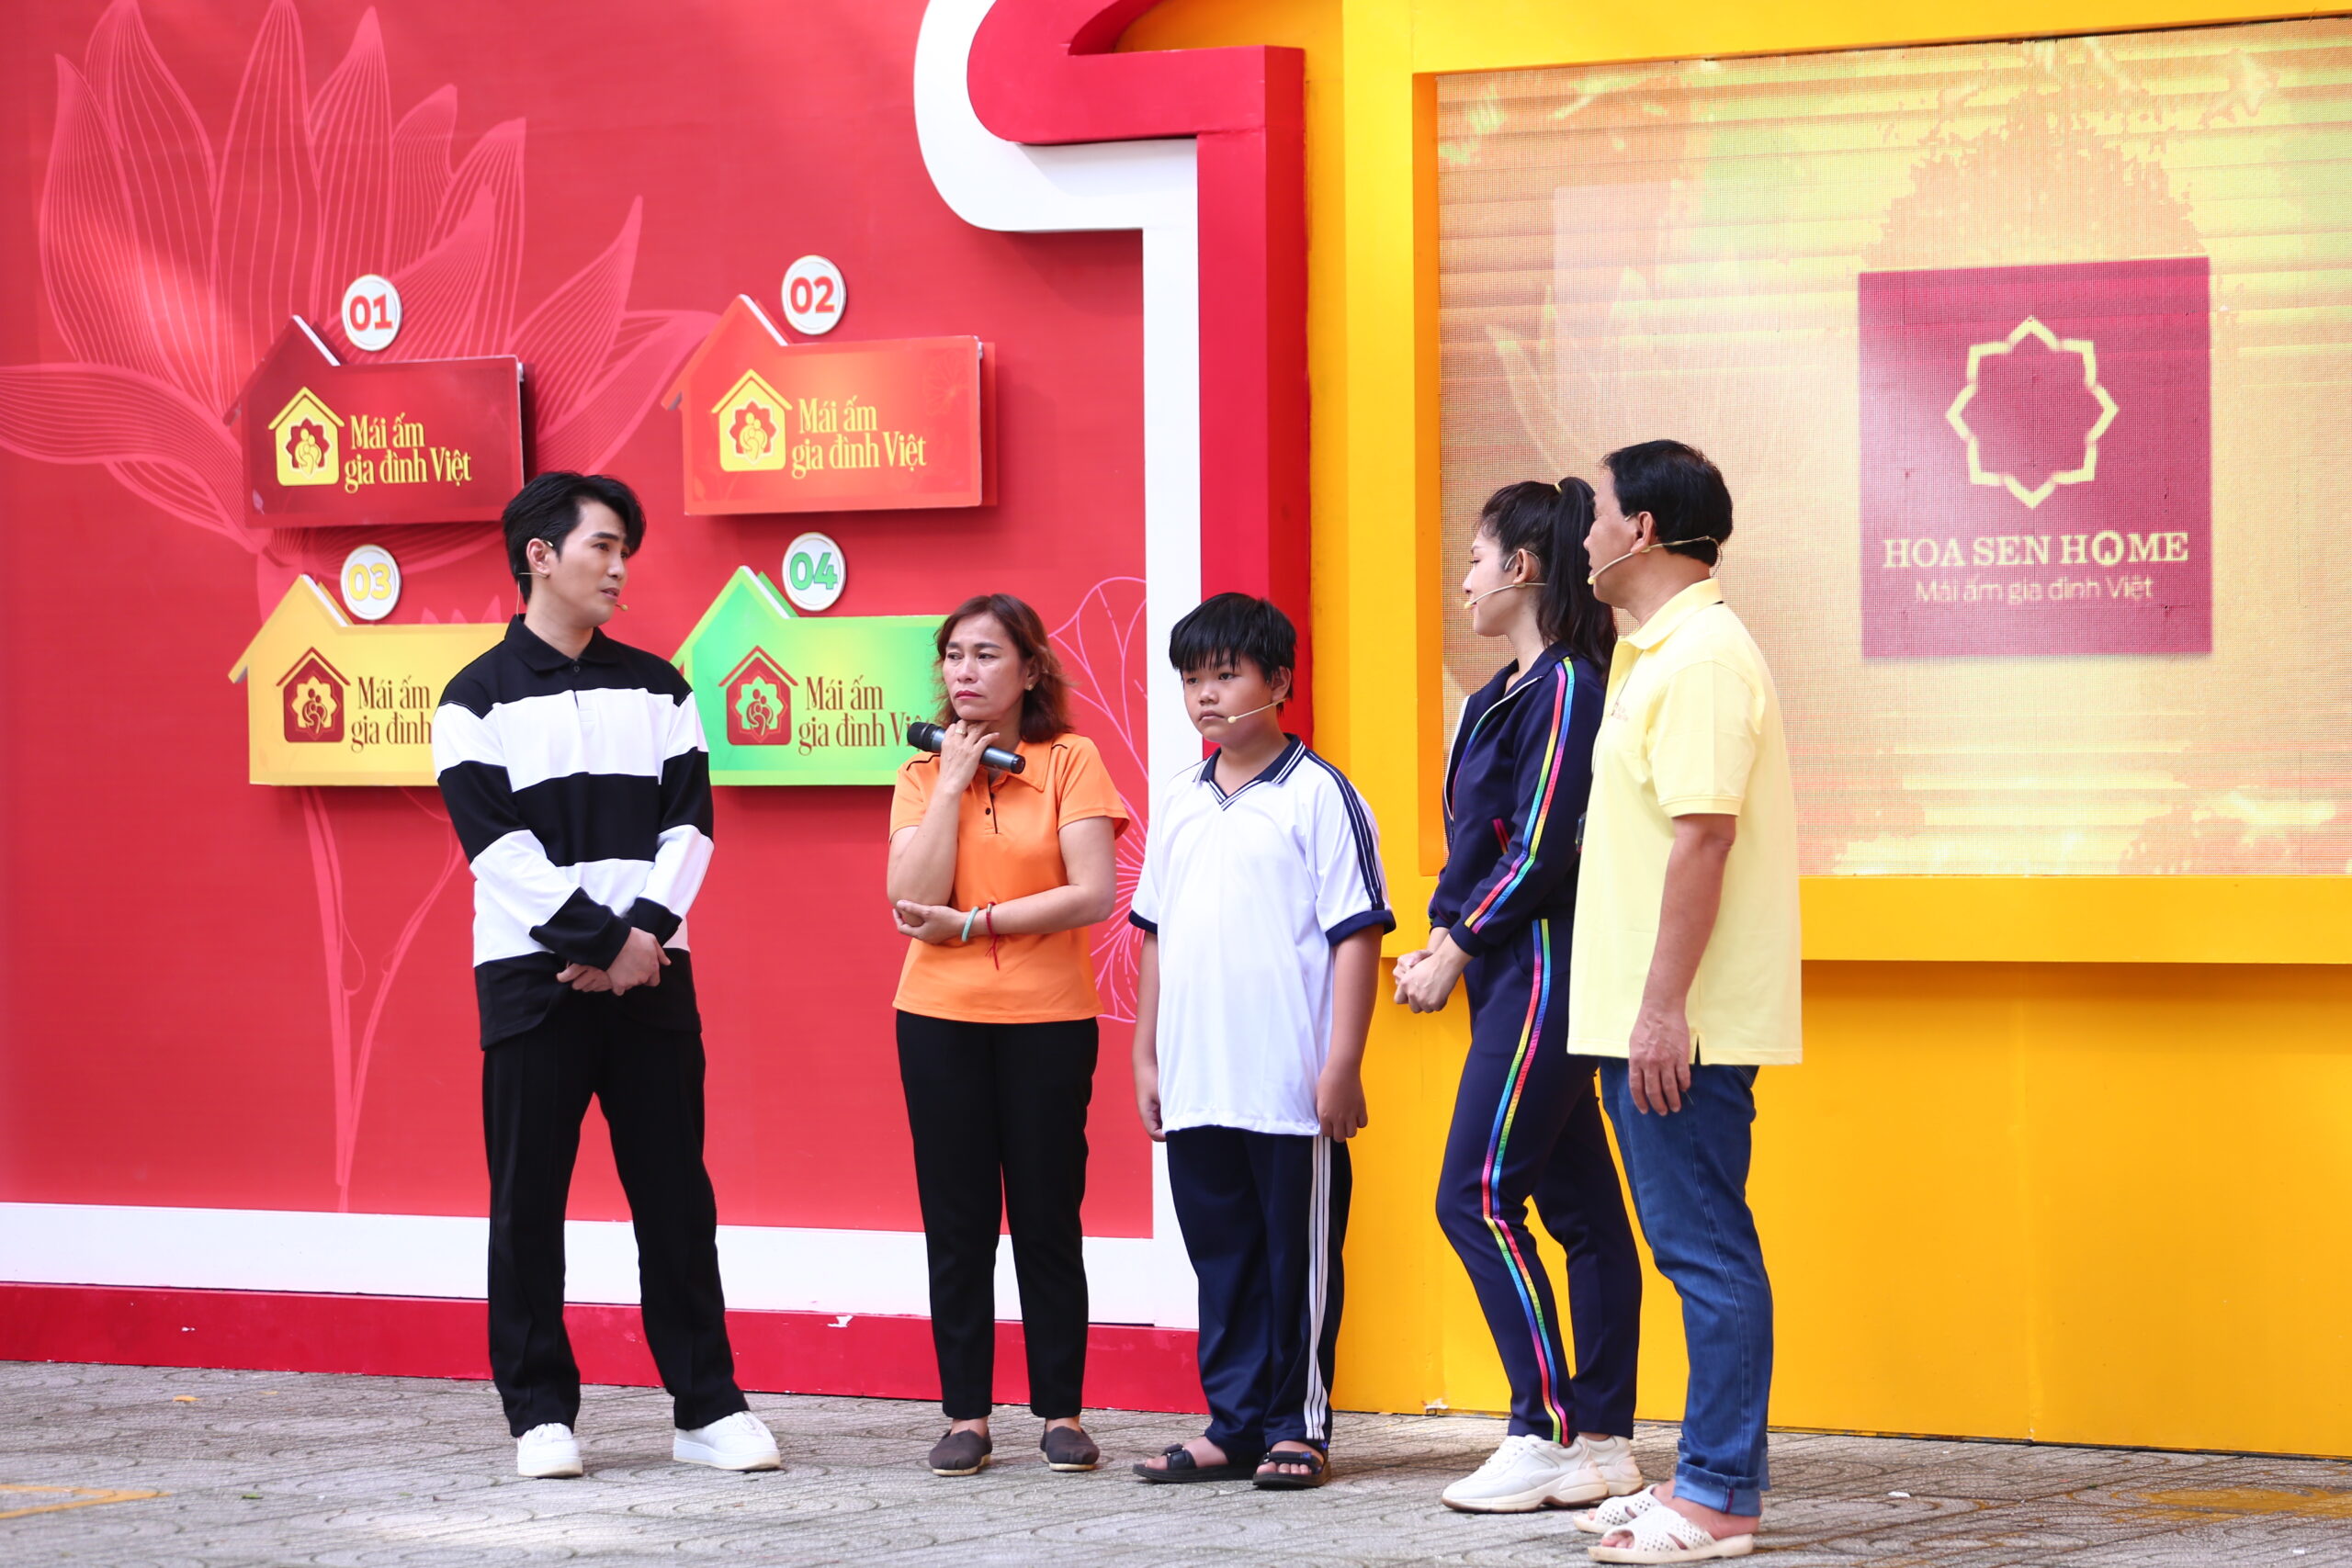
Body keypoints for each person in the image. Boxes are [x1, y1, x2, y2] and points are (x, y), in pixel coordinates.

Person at [433, 472, 779, 1480]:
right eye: (603, 546)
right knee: (526, 1202)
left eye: (626, 550)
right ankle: (540, 1414)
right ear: (539, 555)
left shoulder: (662, 686)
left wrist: (640, 941)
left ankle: (707, 1407)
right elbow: (497, 850)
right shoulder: (472, 699)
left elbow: (690, 826)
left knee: (676, 1198)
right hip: (532, 981)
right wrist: (597, 942)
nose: (621, 568)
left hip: (653, 976)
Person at [1566, 441, 1800, 1565]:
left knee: (1705, 1252)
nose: (1585, 535)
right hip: (1649, 1016)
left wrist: (1663, 1010)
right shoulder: (1654, 652)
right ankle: (1708, 1480)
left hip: (1678, 1025)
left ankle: (1715, 1501)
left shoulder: (1700, 657)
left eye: (1597, 513)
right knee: (1694, 1248)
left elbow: (1704, 839)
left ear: (1644, 529)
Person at [1393, 479, 1645, 1514]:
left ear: (1523, 567)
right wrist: (1443, 937)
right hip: (1508, 967)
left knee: (1475, 1195)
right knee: (1580, 1210)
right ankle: (1606, 1442)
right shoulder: (1503, 690)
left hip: (1542, 967)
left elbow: (1545, 848)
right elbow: (1479, 845)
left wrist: (1455, 945)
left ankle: (1545, 1431)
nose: (1465, 580)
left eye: (1475, 557)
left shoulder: (1569, 686)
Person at [1128, 593, 1390, 1492]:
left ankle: (1296, 1425)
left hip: (1288, 1086)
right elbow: (1154, 933)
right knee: (1224, 1260)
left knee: (1297, 1264)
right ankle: (1234, 1424)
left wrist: (1341, 1064)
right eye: (1191, 679)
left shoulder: (1320, 796)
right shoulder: (1180, 799)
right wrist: (1147, 1055)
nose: (1204, 695)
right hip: (1198, 1079)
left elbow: (1357, 933)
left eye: (1225, 675)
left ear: (1279, 681)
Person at [886, 593, 1127, 1478]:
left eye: (986, 654)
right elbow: (910, 898)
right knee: (956, 1220)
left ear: (1030, 669)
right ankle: (966, 1415)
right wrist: (951, 781)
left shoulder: (1070, 760)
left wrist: (975, 922)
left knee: (1046, 1216)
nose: (965, 671)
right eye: (953, 655)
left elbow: (1091, 892)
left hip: (1047, 1021)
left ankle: (1062, 1412)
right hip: (937, 1018)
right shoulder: (921, 774)